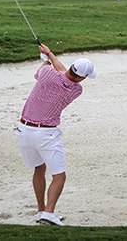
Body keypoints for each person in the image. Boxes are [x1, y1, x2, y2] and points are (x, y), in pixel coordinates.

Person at [16, 43, 96, 226]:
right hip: (46, 134)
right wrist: (49, 56)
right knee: (59, 175)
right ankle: (49, 213)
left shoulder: (46, 74)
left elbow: (55, 72)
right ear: (82, 78)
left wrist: (47, 58)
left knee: (39, 169)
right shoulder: (76, 90)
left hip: (24, 130)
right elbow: (67, 77)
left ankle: (41, 210)